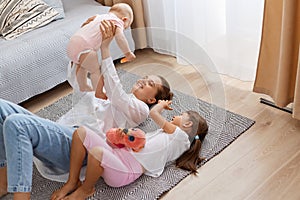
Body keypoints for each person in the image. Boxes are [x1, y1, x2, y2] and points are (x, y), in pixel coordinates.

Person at [0, 20, 173, 200]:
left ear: (152, 99)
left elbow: (117, 92)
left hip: (79, 147)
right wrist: (85, 41)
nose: (144, 81)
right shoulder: (106, 93)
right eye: (145, 78)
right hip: (63, 132)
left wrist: (106, 49)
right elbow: (80, 84)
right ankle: (4, 182)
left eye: (150, 83)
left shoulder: (139, 110)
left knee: (16, 123)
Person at [51, 100, 208, 200]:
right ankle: (73, 181)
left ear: (187, 125)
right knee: (81, 132)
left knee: (97, 152)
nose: (175, 116)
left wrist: (161, 105)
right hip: (117, 156)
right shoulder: (170, 136)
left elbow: (153, 113)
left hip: (125, 171)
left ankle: (86, 190)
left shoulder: (180, 138)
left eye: (181, 115)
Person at [67, 3, 136, 99]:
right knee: (95, 71)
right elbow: (120, 38)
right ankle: (98, 92)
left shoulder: (99, 16)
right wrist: (127, 53)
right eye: (126, 26)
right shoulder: (117, 21)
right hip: (85, 46)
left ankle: (83, 85)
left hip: (73, 42)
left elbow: (87, 22)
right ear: (124, 19)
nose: (124, 28)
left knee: (81, 65)